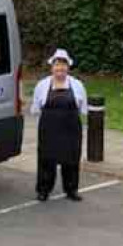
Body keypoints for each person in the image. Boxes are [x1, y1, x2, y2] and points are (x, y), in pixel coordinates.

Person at [31, 49, 88, 202]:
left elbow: (83, 108)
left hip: (71, 128)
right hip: (49, 128)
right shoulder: (42, 85)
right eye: (57, 65)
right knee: (46, 159)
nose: (60, 69)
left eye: (63, 65)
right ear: (52, 67)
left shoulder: (77, 85)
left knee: (71, 159)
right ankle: (43, 190)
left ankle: (71, 190)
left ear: (68, 67)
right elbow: (36, 108)